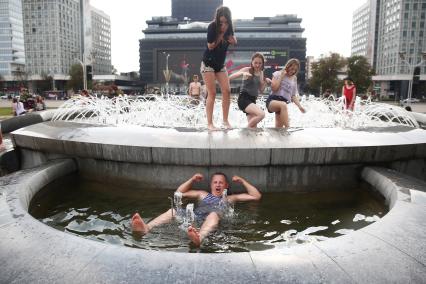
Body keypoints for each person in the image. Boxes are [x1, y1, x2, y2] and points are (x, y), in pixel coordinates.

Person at [131, 172, 261, 247]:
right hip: (196, 216)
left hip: (213, 220)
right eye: (215, 182)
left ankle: (199, 237)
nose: (218, 184)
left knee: (214, 215)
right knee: (173, 211)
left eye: (221, 182)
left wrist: (242, 181)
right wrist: (192, 179)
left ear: (226, 185)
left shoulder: (230, 198)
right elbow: (179, 193)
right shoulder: (202, 194)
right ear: (211, 185)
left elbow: (256, 196)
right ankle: (147, 227)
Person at [201, 6, 237, 130]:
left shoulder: (229, 28)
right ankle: (210, 124)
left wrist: (232, 39)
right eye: (221, 22)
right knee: (212, 93)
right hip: (208, 64)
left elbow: (234, 40)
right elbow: (210, 46)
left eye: (226, 22)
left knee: (227, 91)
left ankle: (225, 121)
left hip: (220, 65)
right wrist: (221, 35)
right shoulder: (212, 27)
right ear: (217, 19)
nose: (223, 25)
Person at [228, 52, 271, 128]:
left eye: (260, 63)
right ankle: (244, 131)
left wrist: (265, 82)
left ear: (262, 64)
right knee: (261, 114)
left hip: (252, 100)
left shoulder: (261, 73)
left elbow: (261, 90)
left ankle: (247, 135)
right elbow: (230, 77)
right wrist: (242, 74)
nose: (257, 65)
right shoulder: (247, 70)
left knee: (253, 128)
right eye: (255, 63)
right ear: (252, 62)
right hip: (244, 99)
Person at [265, 58, 306, 128]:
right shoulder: (277, 74)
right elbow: (274, 89)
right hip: (272, 101)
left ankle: (280, 136)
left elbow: (293, 95)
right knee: (283, 105)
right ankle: (288, 127)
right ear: (288, 66)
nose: (293, 71)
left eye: (295, 70)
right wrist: (281, 77)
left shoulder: (294, 78)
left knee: (279, 129)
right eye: (292, 68)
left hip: (283, 103)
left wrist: (300, 106)